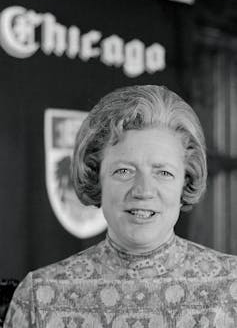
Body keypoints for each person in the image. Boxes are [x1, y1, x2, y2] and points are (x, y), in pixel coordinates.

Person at [4, 85, 237, 328]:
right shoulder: (39, 296)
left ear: (185, 181)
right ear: (96, 177)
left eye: (164, 172)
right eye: (124, 171)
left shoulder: (233, 287)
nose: (144, 190)